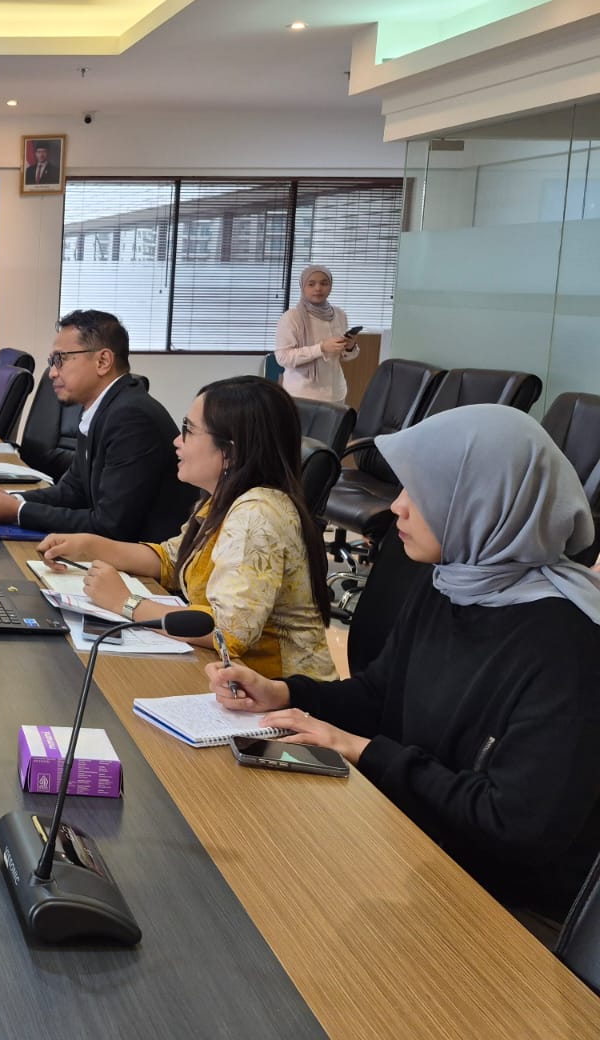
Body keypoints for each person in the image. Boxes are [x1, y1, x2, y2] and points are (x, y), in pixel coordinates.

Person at [204, 404, 600, 923]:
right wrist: (286, 692)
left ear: (482, 503)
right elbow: (379, 695)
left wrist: (361, 750)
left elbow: (512, 825)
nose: (397, 506)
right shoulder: (450, 582)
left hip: (507, 908)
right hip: (414, 842)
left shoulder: (570, 646)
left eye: (421, 491)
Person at [40, 375, 334, 679]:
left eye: (189, 431)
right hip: (232, 678)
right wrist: (88, 546)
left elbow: (229, 632)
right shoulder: (225, 498)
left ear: (230, 453)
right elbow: (172, 559)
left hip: (280, 691)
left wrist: (125, 602)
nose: (177, 441)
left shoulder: (257, 514)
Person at [0, 310, 195, 541]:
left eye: (60, 359)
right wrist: (13, 499)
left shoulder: (131, 417)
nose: (52, 373)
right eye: (52, 362)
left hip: (143, 557)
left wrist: (18, 512)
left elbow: (109, 526)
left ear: (103, 361)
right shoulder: (103, 407)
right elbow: (73, 491)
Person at [274, 265, 358, 403]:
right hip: (303, 395)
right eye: (311, 284)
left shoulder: (339, 315)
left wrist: (350, 347)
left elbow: (343, 356)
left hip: (336, 392)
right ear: (303, 287)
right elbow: (283, 357)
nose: (318, 288)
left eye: (324, 283)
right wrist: (321, 348)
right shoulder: (291, 317)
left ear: (330, 286)